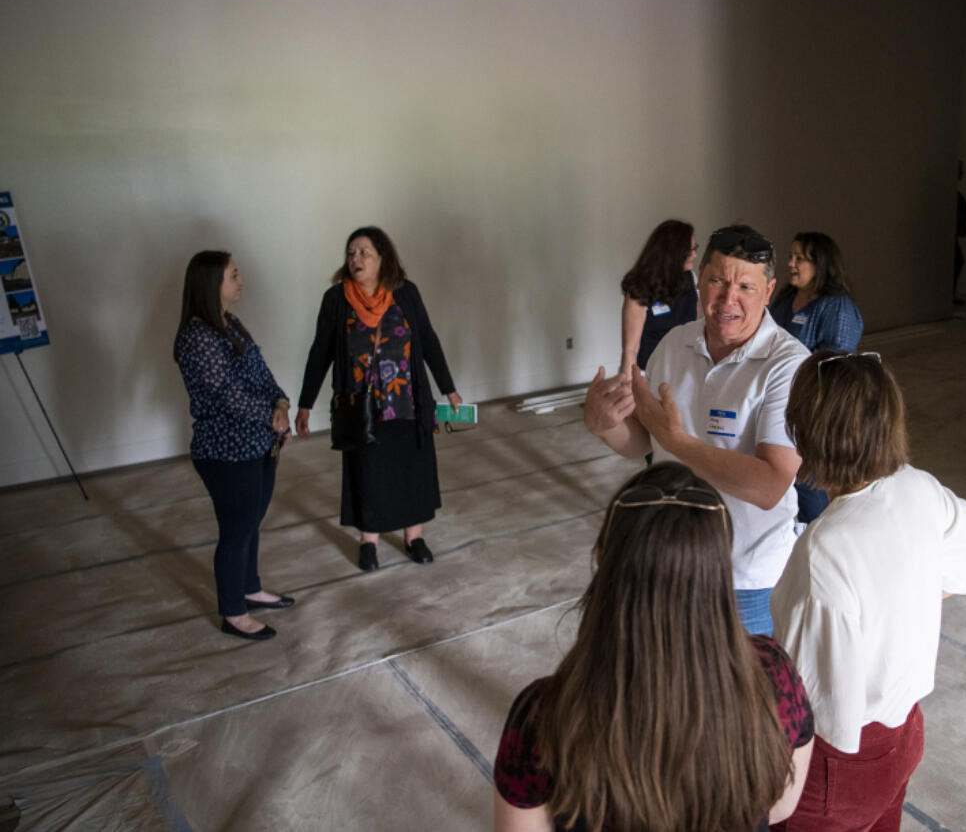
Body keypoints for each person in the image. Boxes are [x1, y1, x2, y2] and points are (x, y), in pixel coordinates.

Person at [493, 463, 815, 832]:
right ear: (721, 568)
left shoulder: (542, 716)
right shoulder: (774, 676)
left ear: (602, 559)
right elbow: (782, 805)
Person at [769, 351, 966, 832]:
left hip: (838, 766)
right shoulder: (917, 487)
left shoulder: (825, 550)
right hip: (904, 739)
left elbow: (808, 703)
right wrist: (909, 594)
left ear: (809, 434)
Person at [585, 225, 808, 635]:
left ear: (770, 290)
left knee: (744, 695)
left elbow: (770, 485)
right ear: (699, 278)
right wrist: (605, 426)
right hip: (670, 560)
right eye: (718, 281)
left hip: (744, 579)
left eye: (746, 286)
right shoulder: (674, 344)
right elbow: (641, 442)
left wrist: (677, 442)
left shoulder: (788, 366)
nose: (728, 299)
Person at [295, 226, 461, 572]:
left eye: (363, 253)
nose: (355, 259)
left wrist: (448, 388)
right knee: (367, 472)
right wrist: (305, 403)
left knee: (410, 470)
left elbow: (427, 341)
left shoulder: (406, 293)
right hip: (361, 408)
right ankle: (368, 540)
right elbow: (320, 353)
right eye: (351, 253)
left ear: (383, 258)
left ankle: (413, 537)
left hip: (408, 401)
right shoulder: (337, 299)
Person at [174, 251, 295, 641]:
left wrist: (281, 402)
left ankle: (250, 587)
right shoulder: (197, 336)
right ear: (212, 284)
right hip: (225, 450)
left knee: (250, 524)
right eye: (234, 276)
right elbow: (228, 395)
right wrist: (272, 417)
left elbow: (260, 372)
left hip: (259, 441)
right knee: (236, 530)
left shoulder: (231, 323)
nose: (241, 282)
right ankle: (232, 612)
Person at [768, 231, 863, 525]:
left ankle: (820, 539)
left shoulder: (836, 307)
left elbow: (837, 365)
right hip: (779, 402)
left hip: (816, 412)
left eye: (801, 258)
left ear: (821, 264)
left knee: (811, 487)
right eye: (791, 256)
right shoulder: (785, 300)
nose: (792, 263)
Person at [618, 219, 699, 378]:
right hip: (649, 373)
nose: (695, 254)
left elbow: (696, 326)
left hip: (684, 369)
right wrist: (628, 387)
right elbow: (630, 350)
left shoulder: (691, 279)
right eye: (690, 250)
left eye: (695, 248)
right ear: (673, 253)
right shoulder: (639, 289)